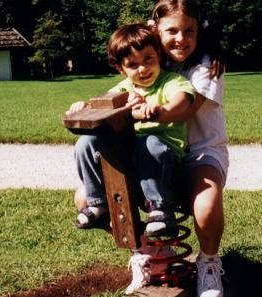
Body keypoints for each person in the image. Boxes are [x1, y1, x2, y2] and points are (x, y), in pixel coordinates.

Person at [66, 23, 195, 240]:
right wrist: (84, 107)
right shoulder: (124, 89)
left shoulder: (171, 82)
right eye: (132, 65)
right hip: (133, 166)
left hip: (166, 165)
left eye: (148, 59)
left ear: (159, 56)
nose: (142, 69)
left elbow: (182, 99)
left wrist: (162, 109)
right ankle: (98, 204)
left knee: (150, 142)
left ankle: (160, 208)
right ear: (121, 69)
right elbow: (102, 106)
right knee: (86, 142)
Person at [144, 0, 228, 297]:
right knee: (104, 192)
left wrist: (154, 111)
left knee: (205, 205)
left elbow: (187, 108)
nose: (181, 38)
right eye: (172, 31)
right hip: (162, 149)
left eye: (189, 30)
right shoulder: (148, 61)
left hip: (202, 152)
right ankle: (148, 253)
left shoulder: (207, 65)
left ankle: (208, 262)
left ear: (199, 32)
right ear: (155, 30)